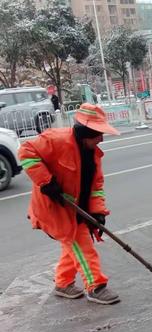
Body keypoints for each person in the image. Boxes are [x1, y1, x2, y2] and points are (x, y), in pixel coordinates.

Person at [18, 103, 121, 305]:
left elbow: (96, 186)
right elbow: (26, 153)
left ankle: (63, 284)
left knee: (72, 245)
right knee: (83, 247)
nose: (101, 139)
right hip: (55, 209)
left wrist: (98, 212)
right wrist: (46, 181)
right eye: (98, 134)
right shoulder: (56, 140)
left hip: (78, 209)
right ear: (85, 133)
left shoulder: (94, 155)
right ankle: (96, 286)